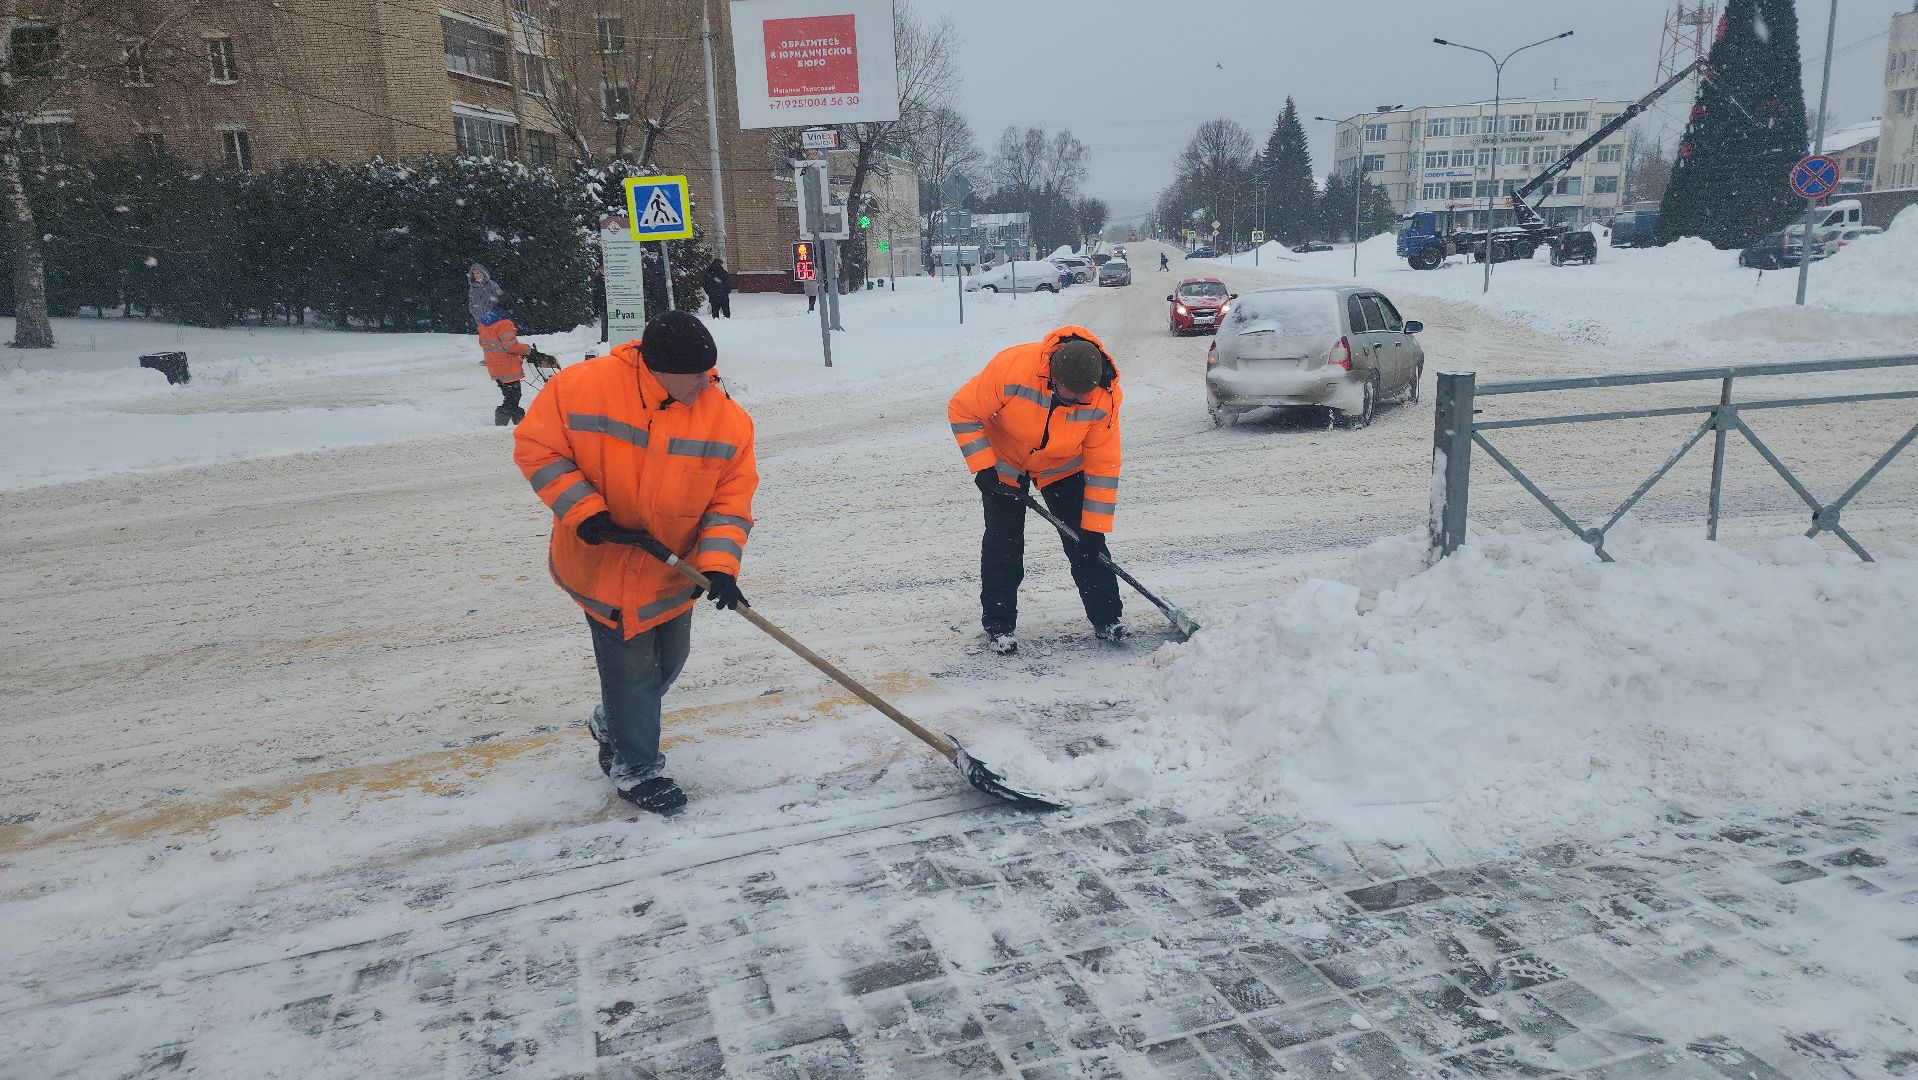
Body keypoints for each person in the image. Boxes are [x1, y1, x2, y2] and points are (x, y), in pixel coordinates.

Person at [514, 311, 758, 815]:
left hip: (674, 569)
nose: (705, 384)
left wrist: (719, 567)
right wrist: (586, 513)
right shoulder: (582, 388)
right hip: (604, 563)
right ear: (656, 367)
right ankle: (636, 766)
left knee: (670, 661)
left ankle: (617, 721)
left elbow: (731, 500)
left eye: (708, 374)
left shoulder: (725, 419)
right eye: (695, 376)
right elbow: (538, 448)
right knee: (632, 675)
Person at [948, 327, 1125, 656]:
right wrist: (984, 467)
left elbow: (1103, 464)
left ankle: (1108, 618)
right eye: (1069, 393)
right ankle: (1000, 626)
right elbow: (962, 409)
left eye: (1082, 396)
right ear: (1052, 375)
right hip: (1005, 461)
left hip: (1063, 466)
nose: (1076, 401)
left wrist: (1093, 527)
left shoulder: (1105, 396)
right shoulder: (1013, 368)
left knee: (1087, 545)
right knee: (1004, 543)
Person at [477, 305, 531, 425]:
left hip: (494, 366)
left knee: (510, 395)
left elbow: (482, 343)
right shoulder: (505, 323)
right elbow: (511, 346)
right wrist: (527, 349)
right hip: (507, 367)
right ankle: (503, 423)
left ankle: (518, 421)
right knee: (514, 396)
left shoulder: (485, 322)